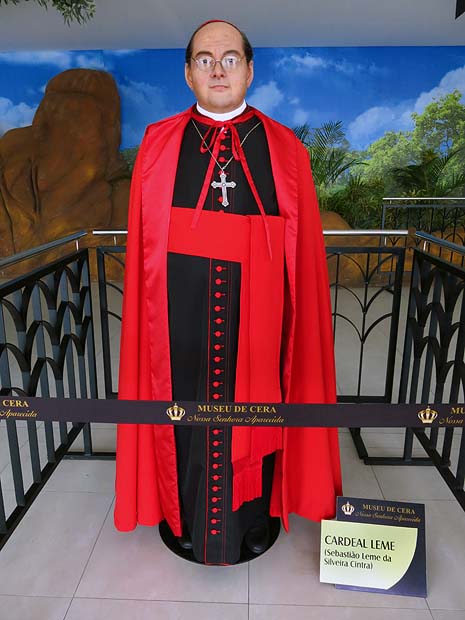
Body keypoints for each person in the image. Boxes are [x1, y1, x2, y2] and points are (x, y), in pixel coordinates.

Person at [114, 19, 341, 565]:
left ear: (250, 70)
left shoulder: (285, 149)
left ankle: (254, 519)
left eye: (230, 59)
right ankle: (184, 518)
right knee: (186, 419)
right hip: (180, 319)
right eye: (205, 60)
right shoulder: (159, 145)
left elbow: (300, 254)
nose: (218, 70)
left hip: (261, 321)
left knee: (259, 412)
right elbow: (146, 249)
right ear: (188, 73)